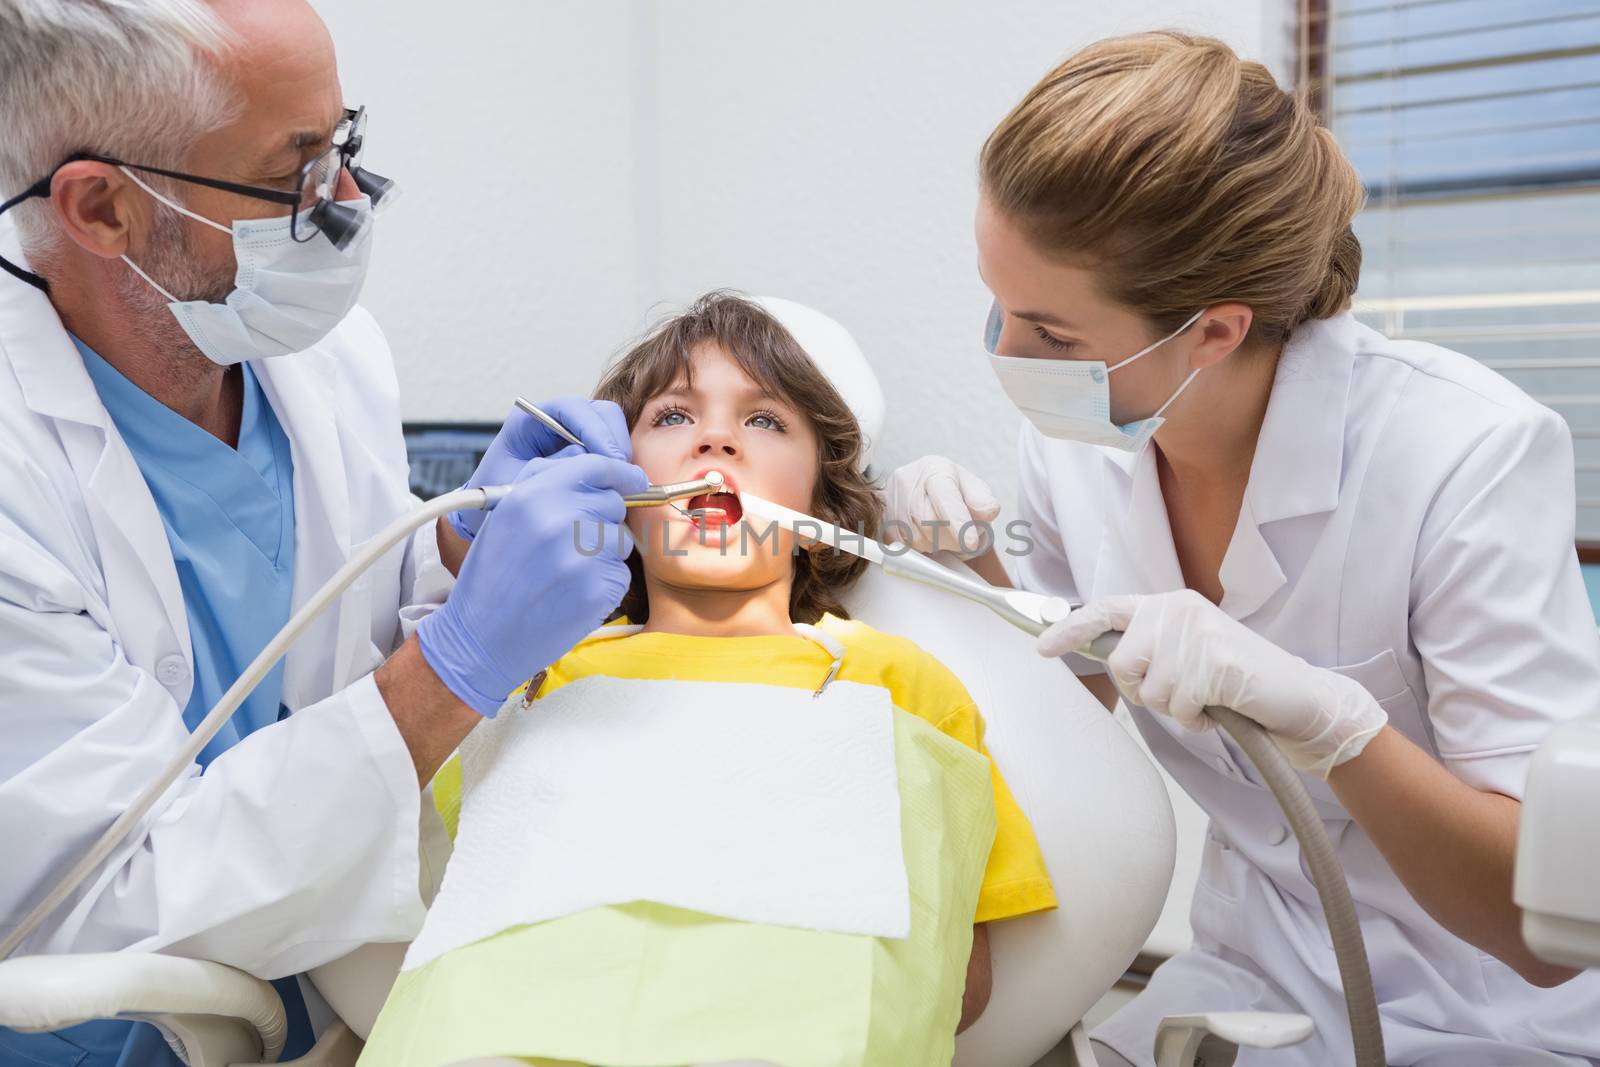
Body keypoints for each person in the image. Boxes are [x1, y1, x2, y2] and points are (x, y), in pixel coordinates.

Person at [886, 30, 1600, 1067]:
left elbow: (1540, 927)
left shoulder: (1463, 452)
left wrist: (1336, 724)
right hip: (1245, 972)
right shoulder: (1083, 446)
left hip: (1490, 1012)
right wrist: (974, 582)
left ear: (1213, 331)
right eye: (999, 305)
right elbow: (1073, 692)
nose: (1006, 357)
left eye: (1049, 335)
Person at [0, 2, 645, 1064]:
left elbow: (329, 643)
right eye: (293, 168)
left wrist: (447, 554)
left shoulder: (324, 358)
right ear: (102, 207)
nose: (342, 202)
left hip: (338, 996)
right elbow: (110, 895)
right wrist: (457, 663)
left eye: (340, 144)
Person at [356, 293, 1058, 1067]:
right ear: (613, 489)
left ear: (823, 506)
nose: (716, 439)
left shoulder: (894, 682)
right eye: (672, 417)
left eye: (764, 421)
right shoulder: (537, 673)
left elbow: (959, 975)